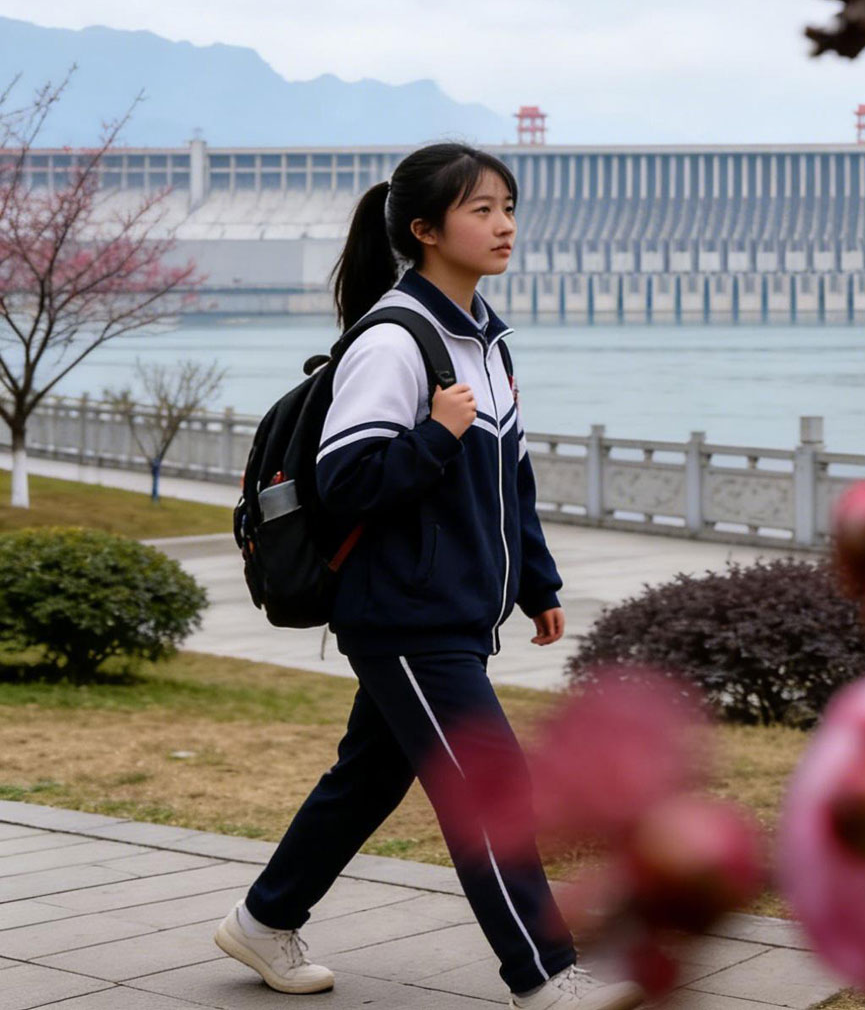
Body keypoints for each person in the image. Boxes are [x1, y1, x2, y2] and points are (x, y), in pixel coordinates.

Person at [212, 142, 642, 1010]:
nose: (505, 224)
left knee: (369, 775)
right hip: (403, 612)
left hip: (451, 609)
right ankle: (546, 973)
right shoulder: (395, 341)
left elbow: (508, 480)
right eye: (481, 209)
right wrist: (438, 433)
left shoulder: (486, 344)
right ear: (424, 229)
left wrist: (539, 583)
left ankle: (263, 922)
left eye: (509, 206)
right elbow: (348, 480)